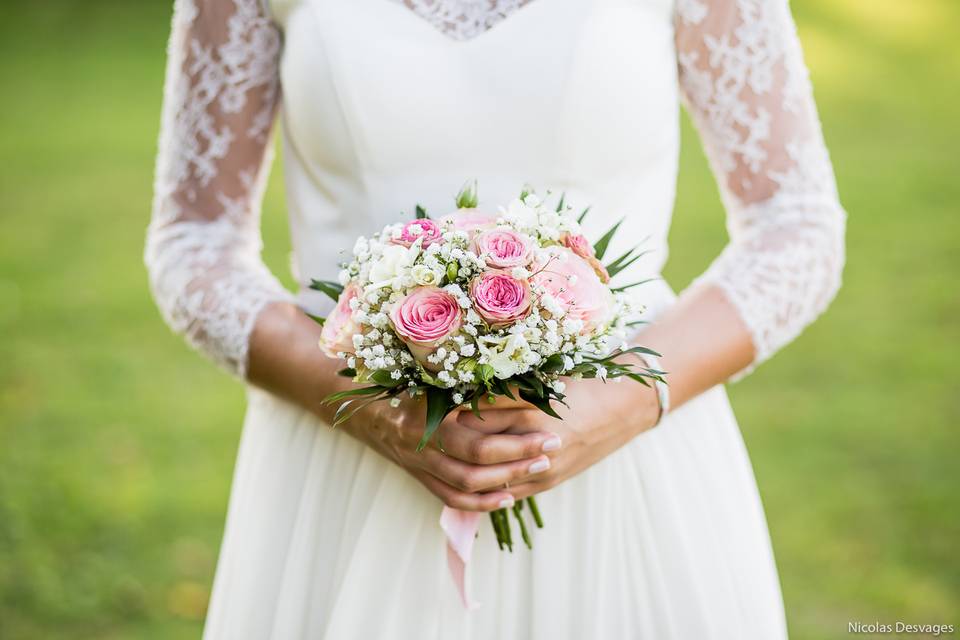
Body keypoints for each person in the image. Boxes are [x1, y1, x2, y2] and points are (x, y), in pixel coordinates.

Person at [145, 0, 846, 637]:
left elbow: (795, 226)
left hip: (628, 463)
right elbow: (194, 242)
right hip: (344, 464)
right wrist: (370, 408)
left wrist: (619, 400)